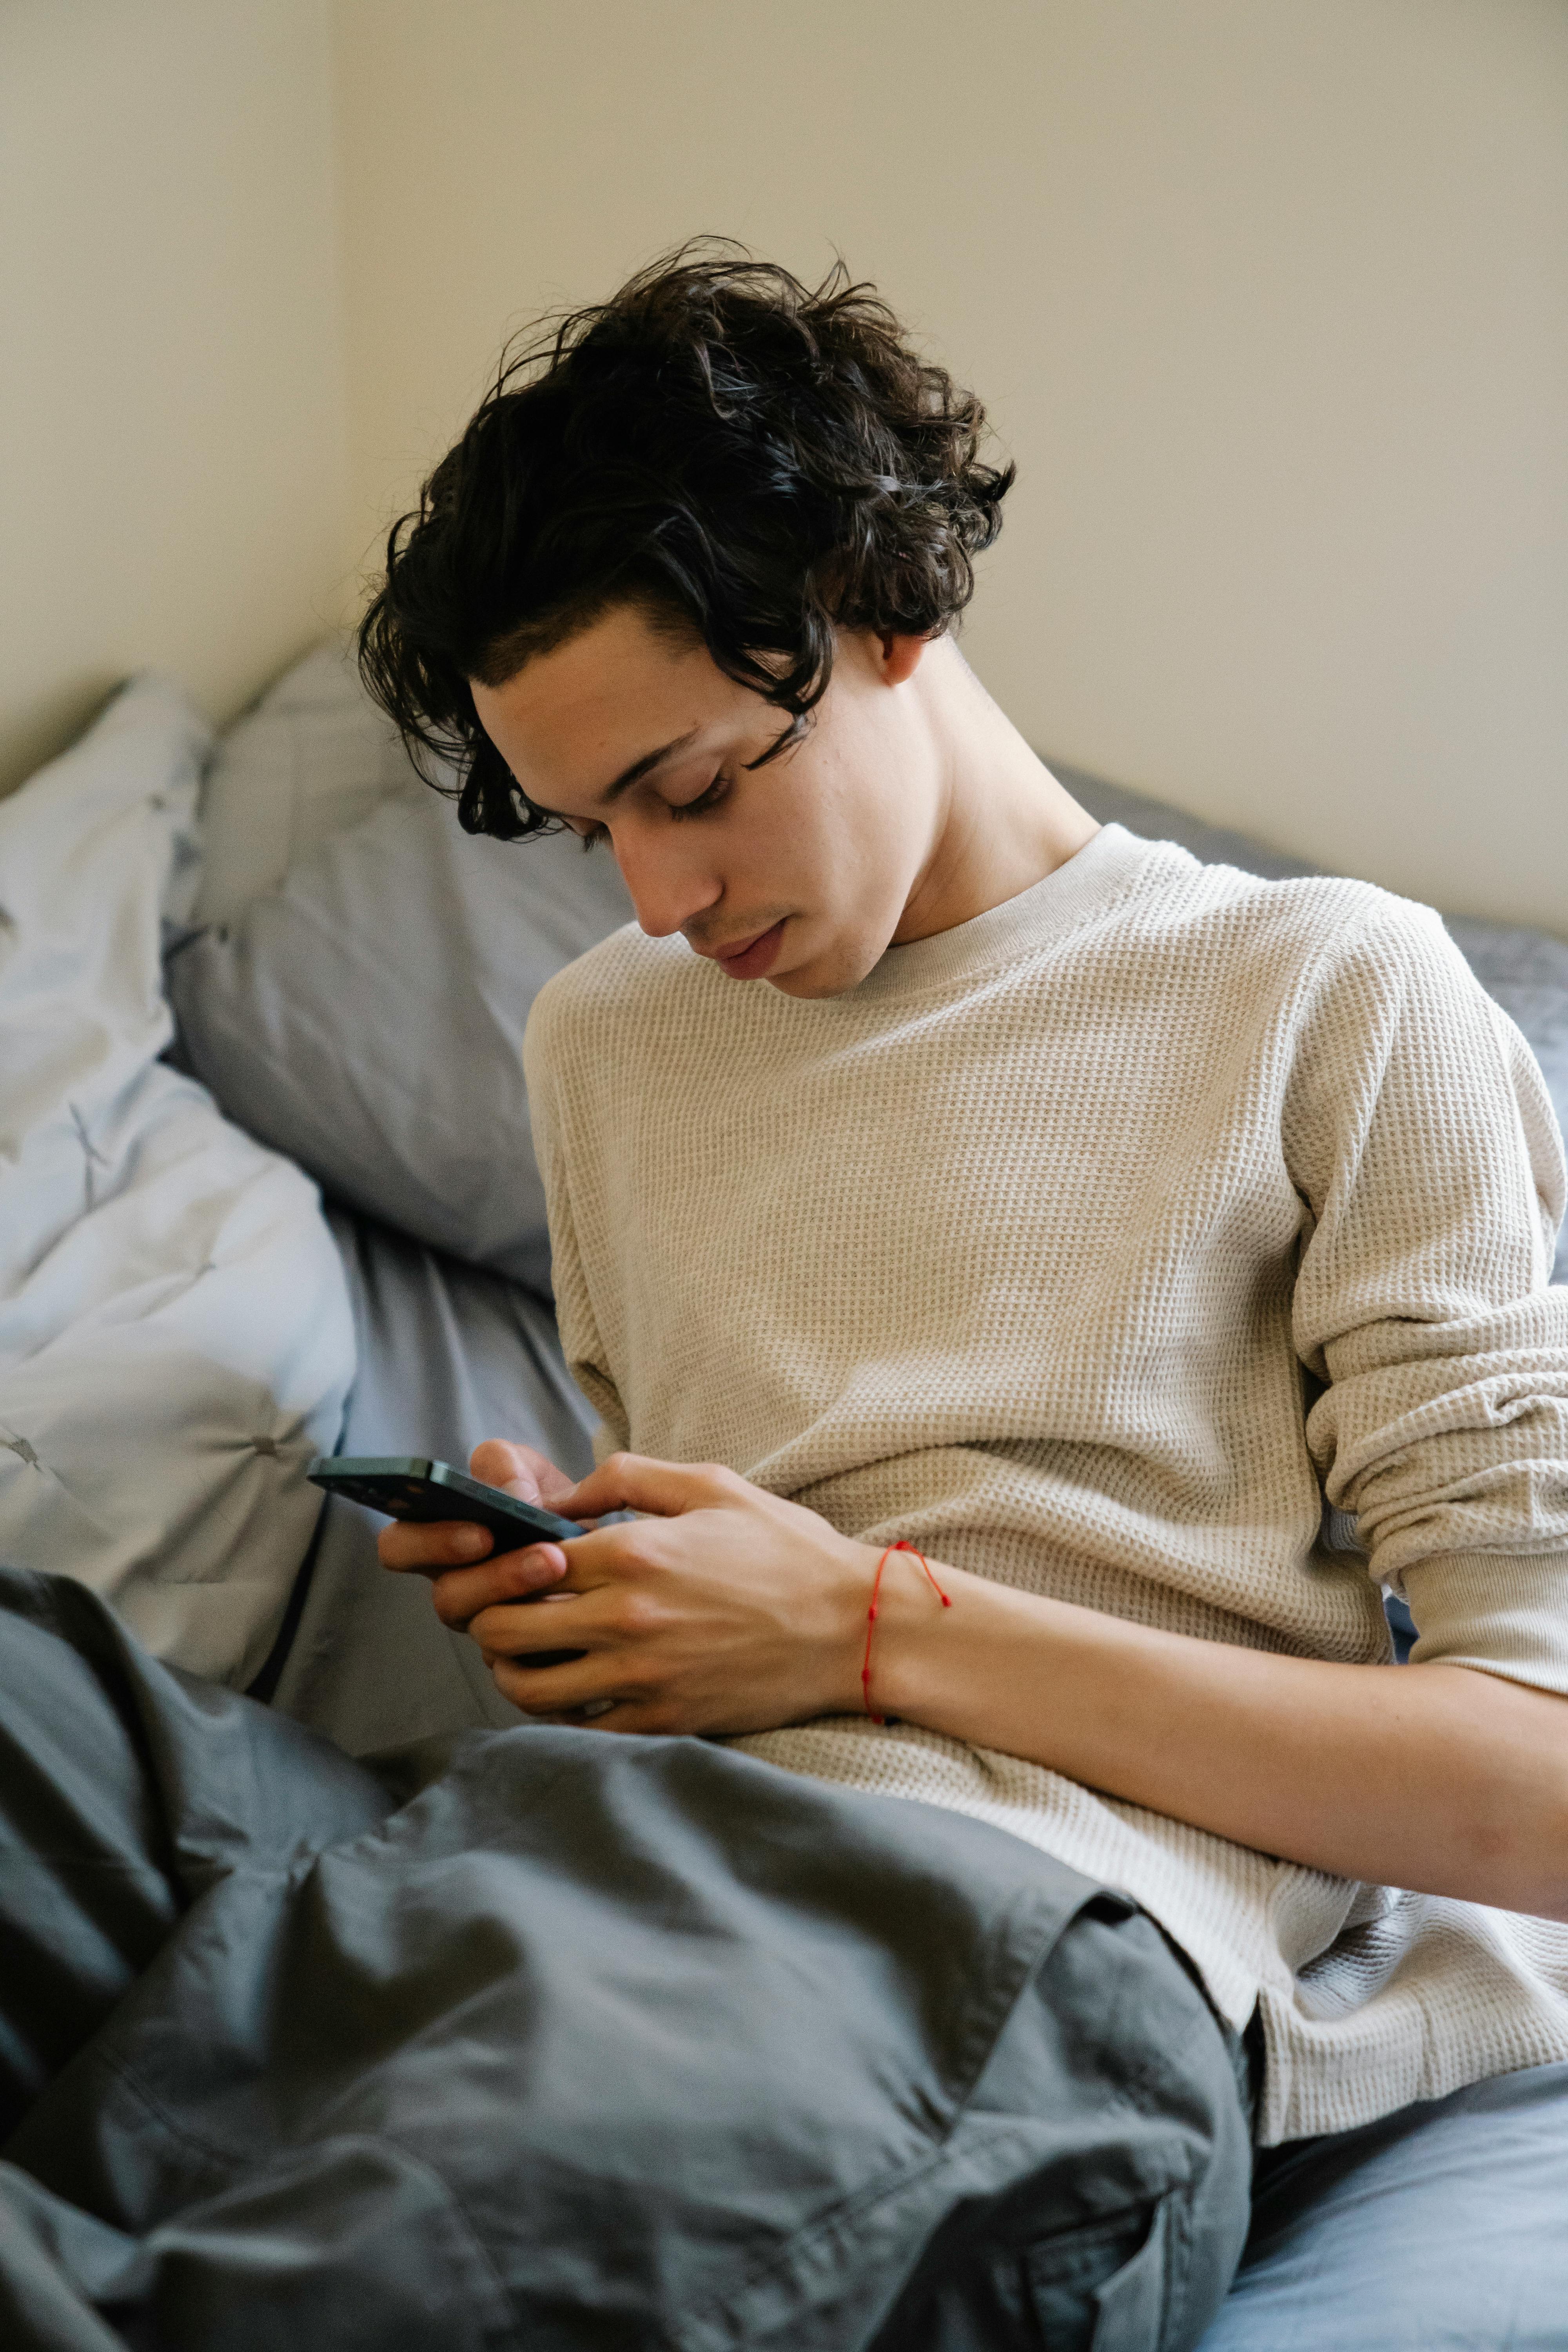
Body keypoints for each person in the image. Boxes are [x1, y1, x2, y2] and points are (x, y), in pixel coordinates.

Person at [2, 250, 1564, 2350]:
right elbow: (731, 1589)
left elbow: (1531, 1785)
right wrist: (598, 1608)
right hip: (543, 1859)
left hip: (977, 1947)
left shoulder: (1331, 993)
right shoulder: (609, 1044)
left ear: (892, 604)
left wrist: (854, 1629)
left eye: (695, 784)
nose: (657, 900)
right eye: (587, 832)